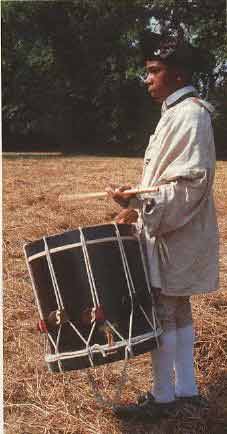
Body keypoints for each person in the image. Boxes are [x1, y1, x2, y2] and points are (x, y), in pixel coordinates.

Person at [107, 29, 219, 420]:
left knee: (164, 310)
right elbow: (168, 181)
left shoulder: (189, 115)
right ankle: (184, 392)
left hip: (177, 232)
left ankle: (165, 398)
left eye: (154, 70)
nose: (147, 78)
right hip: (172, 230)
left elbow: (188, 186)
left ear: (176, 74)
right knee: (175, 308)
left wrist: (139, 201)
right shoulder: (175, 113)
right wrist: (136, 205)